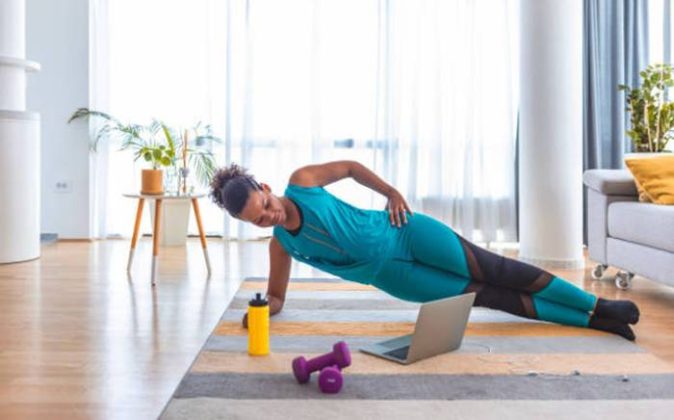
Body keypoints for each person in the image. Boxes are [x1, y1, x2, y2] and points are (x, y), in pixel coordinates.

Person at [209, 160, 640, 340]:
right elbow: (278, 296)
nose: (269, 216)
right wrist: (263, 310)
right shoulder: (281, 246)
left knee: (497, 269)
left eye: (265, 205)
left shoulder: (302, 181)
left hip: (405, 231)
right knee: (487, 295)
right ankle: (595, 323)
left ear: (266, 188)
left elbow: (352, 168)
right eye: (258, 220)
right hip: (395, 277)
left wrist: (391, 192)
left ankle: (598, 304)